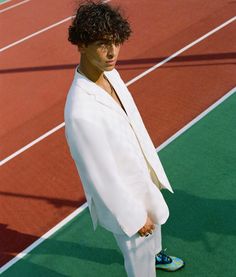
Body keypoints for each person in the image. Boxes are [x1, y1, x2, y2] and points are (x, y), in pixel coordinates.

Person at [64, 1, 184, 276]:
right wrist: (131, 216)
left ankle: (156, 255)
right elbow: (99, 176)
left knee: (153, 239)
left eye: (116, 42)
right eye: (103, 44)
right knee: (138, 262)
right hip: (126, 201)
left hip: (142, 177)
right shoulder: (80, 112)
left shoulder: (111, 74)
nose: (112, 52)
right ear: (81, 45)